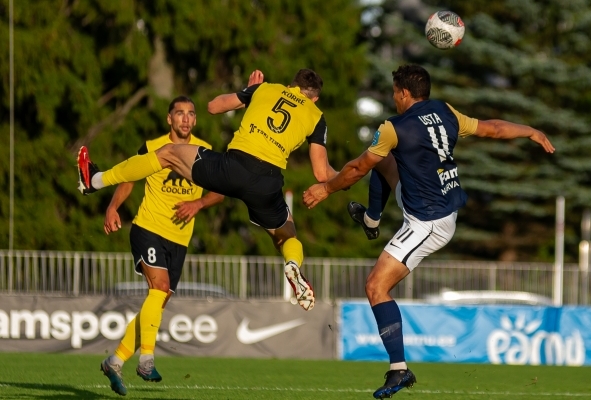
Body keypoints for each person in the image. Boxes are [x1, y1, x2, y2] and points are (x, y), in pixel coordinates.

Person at [302, 64, 554, 399]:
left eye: (394, 92)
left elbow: (356, 169)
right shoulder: (445, 111)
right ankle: (372, 220)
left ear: (404, 93)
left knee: (376, 286)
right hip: (435, 201)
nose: (394, 97)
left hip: (428, 222)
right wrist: (530, 131)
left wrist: (325, 190)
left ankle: (399, 369)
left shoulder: (394, 126)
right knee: (384, 159)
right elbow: (492, 129)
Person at [77, 69, 337, 314]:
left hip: (232, 167)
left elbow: (213, 107)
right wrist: (347, 175)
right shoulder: (316, 116)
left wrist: (249, 91)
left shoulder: (265, 89)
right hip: (266, 182)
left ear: (291, 84)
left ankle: (95, 180)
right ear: (314, 98)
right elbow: (321, 173)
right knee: (286, 233)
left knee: (167, 153)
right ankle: (292, 265)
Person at [98, 96, 224, 396]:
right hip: (148, 228)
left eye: (191, 114)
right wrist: (113, 207)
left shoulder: (203, 150)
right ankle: (146, 359)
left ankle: (115, 361)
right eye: (179, 113)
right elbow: (129, 178)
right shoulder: (151, 146)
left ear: (195, 120)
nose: (185, 118)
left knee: (157, 301)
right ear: (169, 119)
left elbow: (221, 190)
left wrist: (199, 202)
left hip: (179, 240)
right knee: (159, 288)